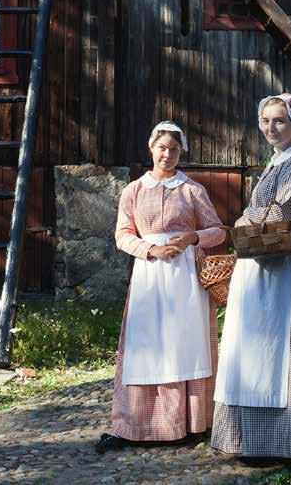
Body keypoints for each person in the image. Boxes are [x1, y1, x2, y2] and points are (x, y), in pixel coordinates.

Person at [96, 121, 226, 453]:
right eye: (162, 148)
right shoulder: (134, 191)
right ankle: (135, 425)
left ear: (181, 152)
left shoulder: (192, 190)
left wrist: (192, 238)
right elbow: (122, 235)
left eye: (175, 149)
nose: (168, 154)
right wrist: (150, 249)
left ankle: (192, 424)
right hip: (150, 276)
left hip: (185, 277)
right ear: (151, 148)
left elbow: (218, 231)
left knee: (185, 343)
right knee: (147, 345)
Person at [211, 93, 291, 465]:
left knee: (277, 351)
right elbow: (256, 211)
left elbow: (281, 212)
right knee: (250, 350)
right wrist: (248, 217)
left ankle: (286, 443)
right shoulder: (275, 162)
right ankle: (250, 440)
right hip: (256, 265)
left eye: (279, 121)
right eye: (265, 121)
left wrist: (245, 219)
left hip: (278, 269)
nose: (271, 128)